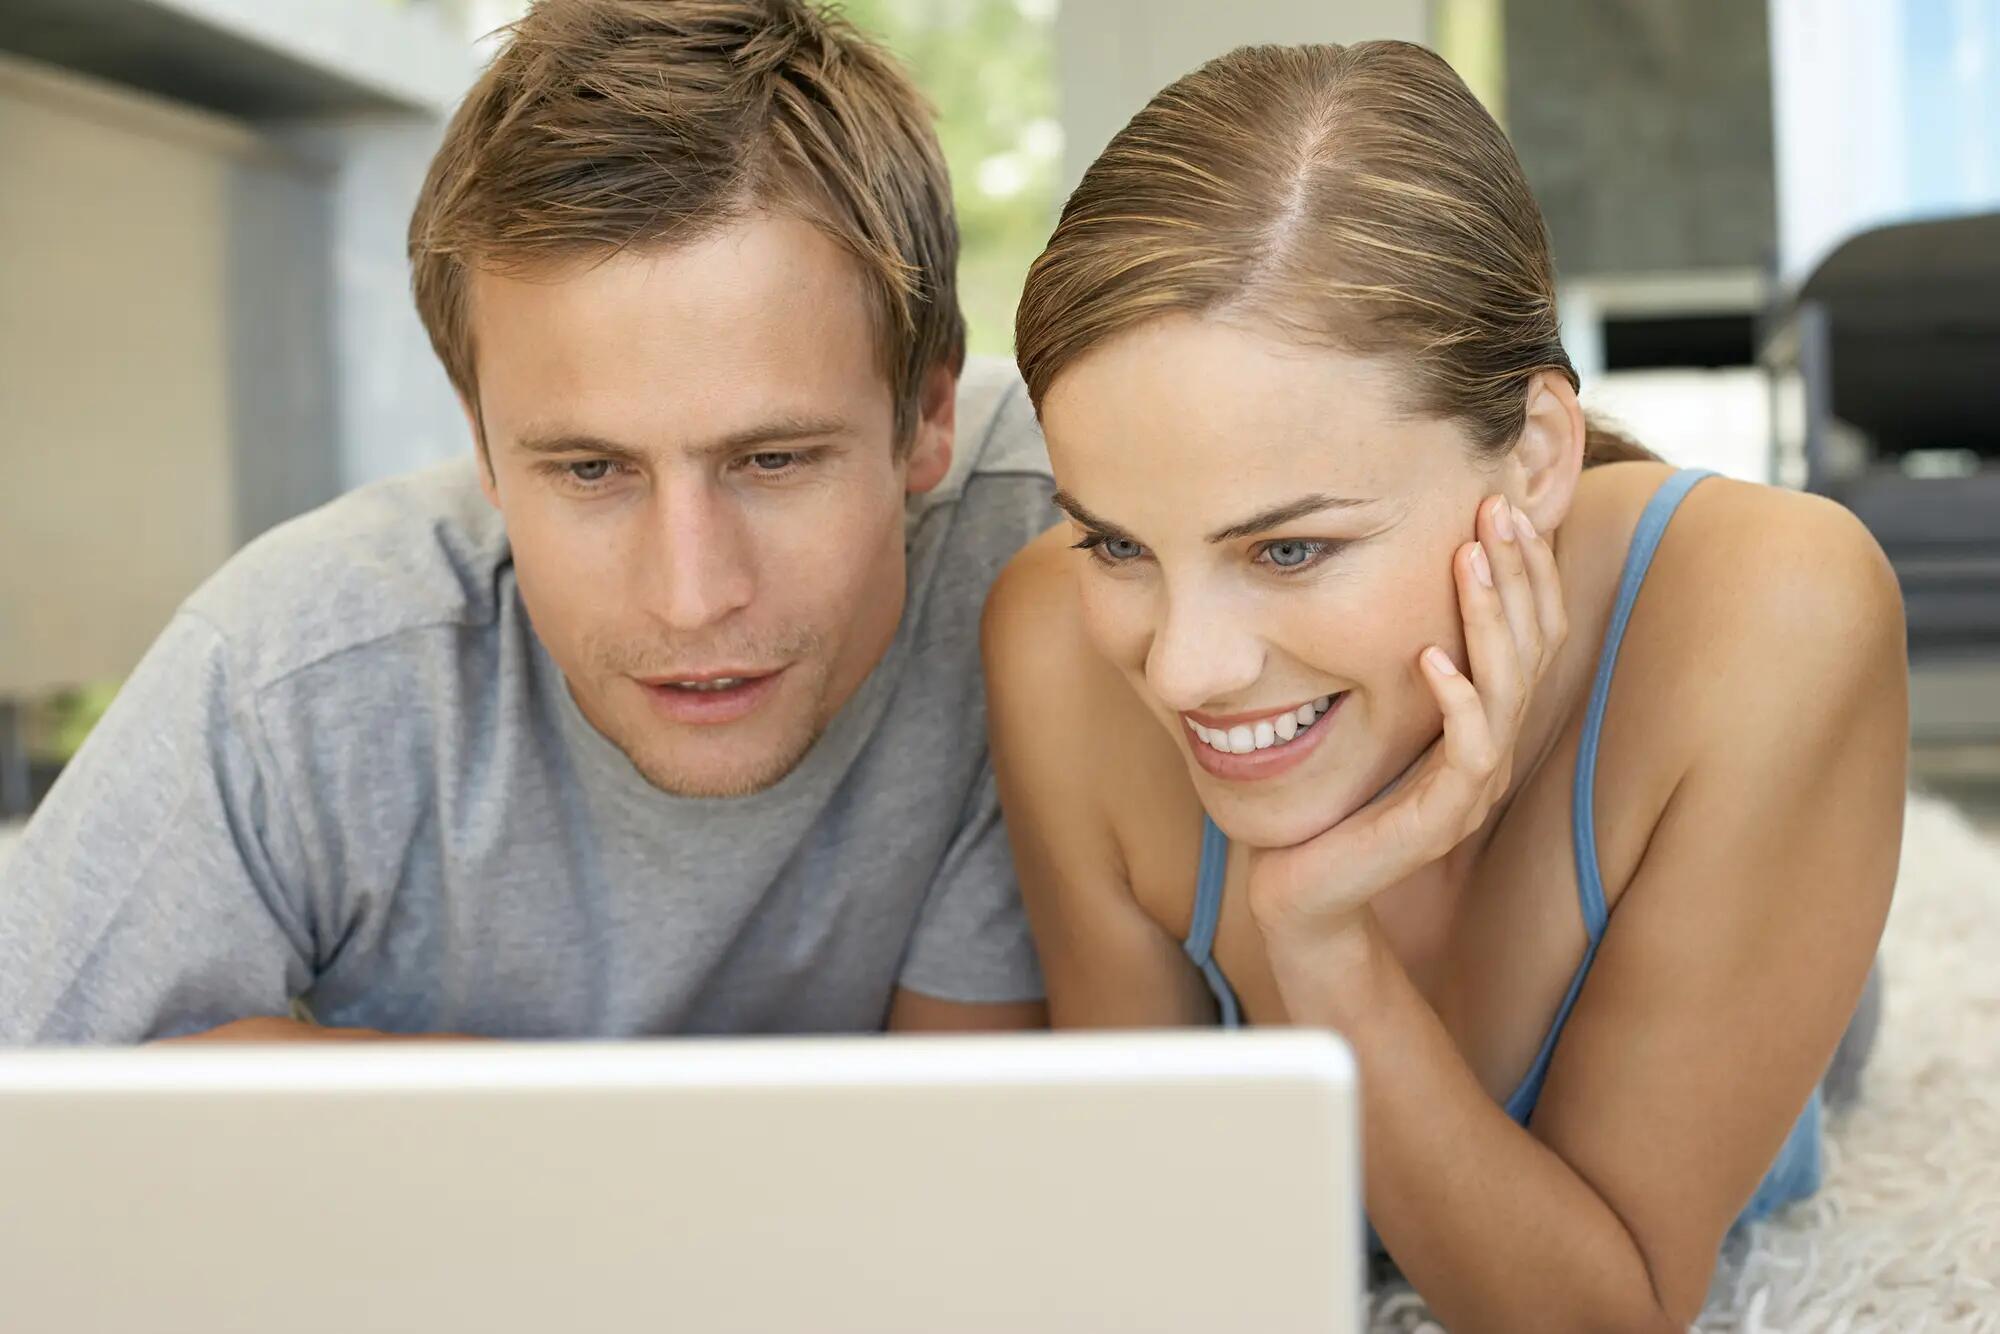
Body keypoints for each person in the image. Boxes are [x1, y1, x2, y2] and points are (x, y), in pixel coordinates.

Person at [983, 40, 1902, 1329]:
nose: (1183, 667)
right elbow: (1160, 1226)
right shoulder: (1050, 635)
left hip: (1742, 884)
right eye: (1117, 542)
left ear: (1532, 459)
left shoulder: (1774, 608)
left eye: (1288, 547)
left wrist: (1321, 944)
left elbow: (1602, 1313)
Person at [0, 0, 1052, 1043]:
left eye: (772, 459)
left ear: (927, 416)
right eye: (591, 469)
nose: (690, 594)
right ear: (484, 443)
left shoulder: (1072, 537)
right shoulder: (303, 668)